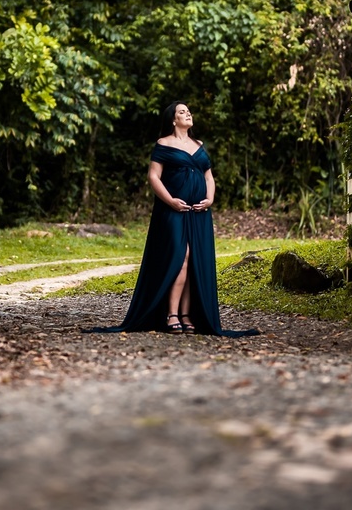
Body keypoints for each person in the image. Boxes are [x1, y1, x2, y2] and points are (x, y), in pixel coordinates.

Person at [93, 101, 256, 337]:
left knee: (194, 263)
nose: (188, 113)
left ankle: (187, 315)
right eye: (182, 111)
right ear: (173, 119)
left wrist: (209, 199)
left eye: (189, 110)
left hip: (199, 212)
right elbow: (154, 177)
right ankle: (171, 314)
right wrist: (170, 201)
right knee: (181, 256)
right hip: (172, 211)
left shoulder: (199, 145)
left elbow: (208, 177)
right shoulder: (163, 144)